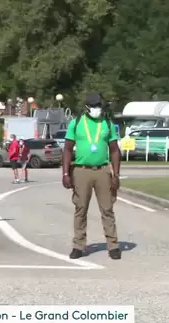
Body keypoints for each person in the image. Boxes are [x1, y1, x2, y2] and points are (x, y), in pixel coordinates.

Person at [62, 93, 122, 260]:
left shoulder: (107, 123)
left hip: (103, 170)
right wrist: (66, 173)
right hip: (81, 170)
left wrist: (116, 174)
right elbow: (67, 149)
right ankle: (78, 245)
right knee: (80, 209)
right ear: (87, 107)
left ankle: (113, 245)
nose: (98, 109)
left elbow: (115, 150)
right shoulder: (77, 123)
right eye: (95, 106)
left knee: (107, 209)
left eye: (100, 106)